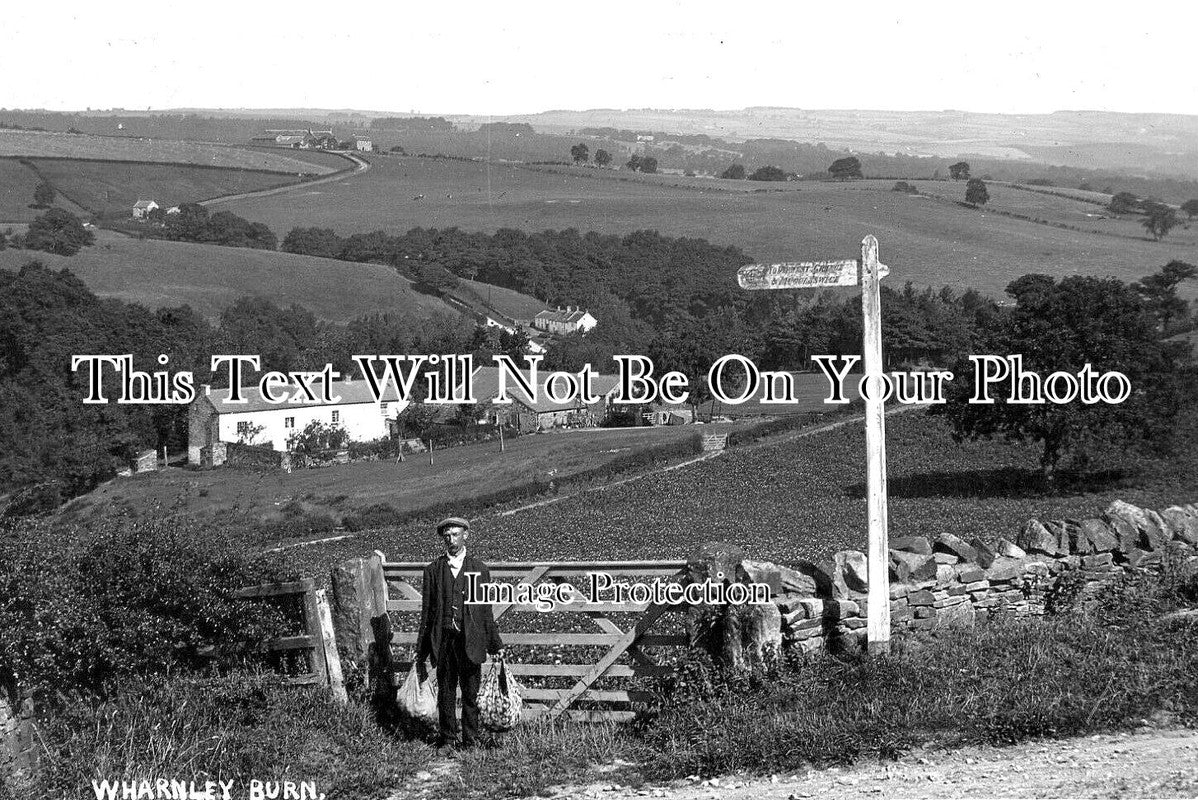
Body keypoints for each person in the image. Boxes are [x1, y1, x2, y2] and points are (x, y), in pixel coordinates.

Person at [416, 516, 503, 754]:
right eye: (447, 536)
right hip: (443, 641)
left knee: (470, 693)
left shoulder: (479, 570)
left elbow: (486, 611)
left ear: (466, 535)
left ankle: (471, 741)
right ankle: (447, 740)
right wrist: (421, 650)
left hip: (471, 640)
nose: (451, 540)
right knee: (446, 691)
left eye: (456, 534)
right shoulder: (433, 571)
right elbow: (427, 612)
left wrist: (495, 645)